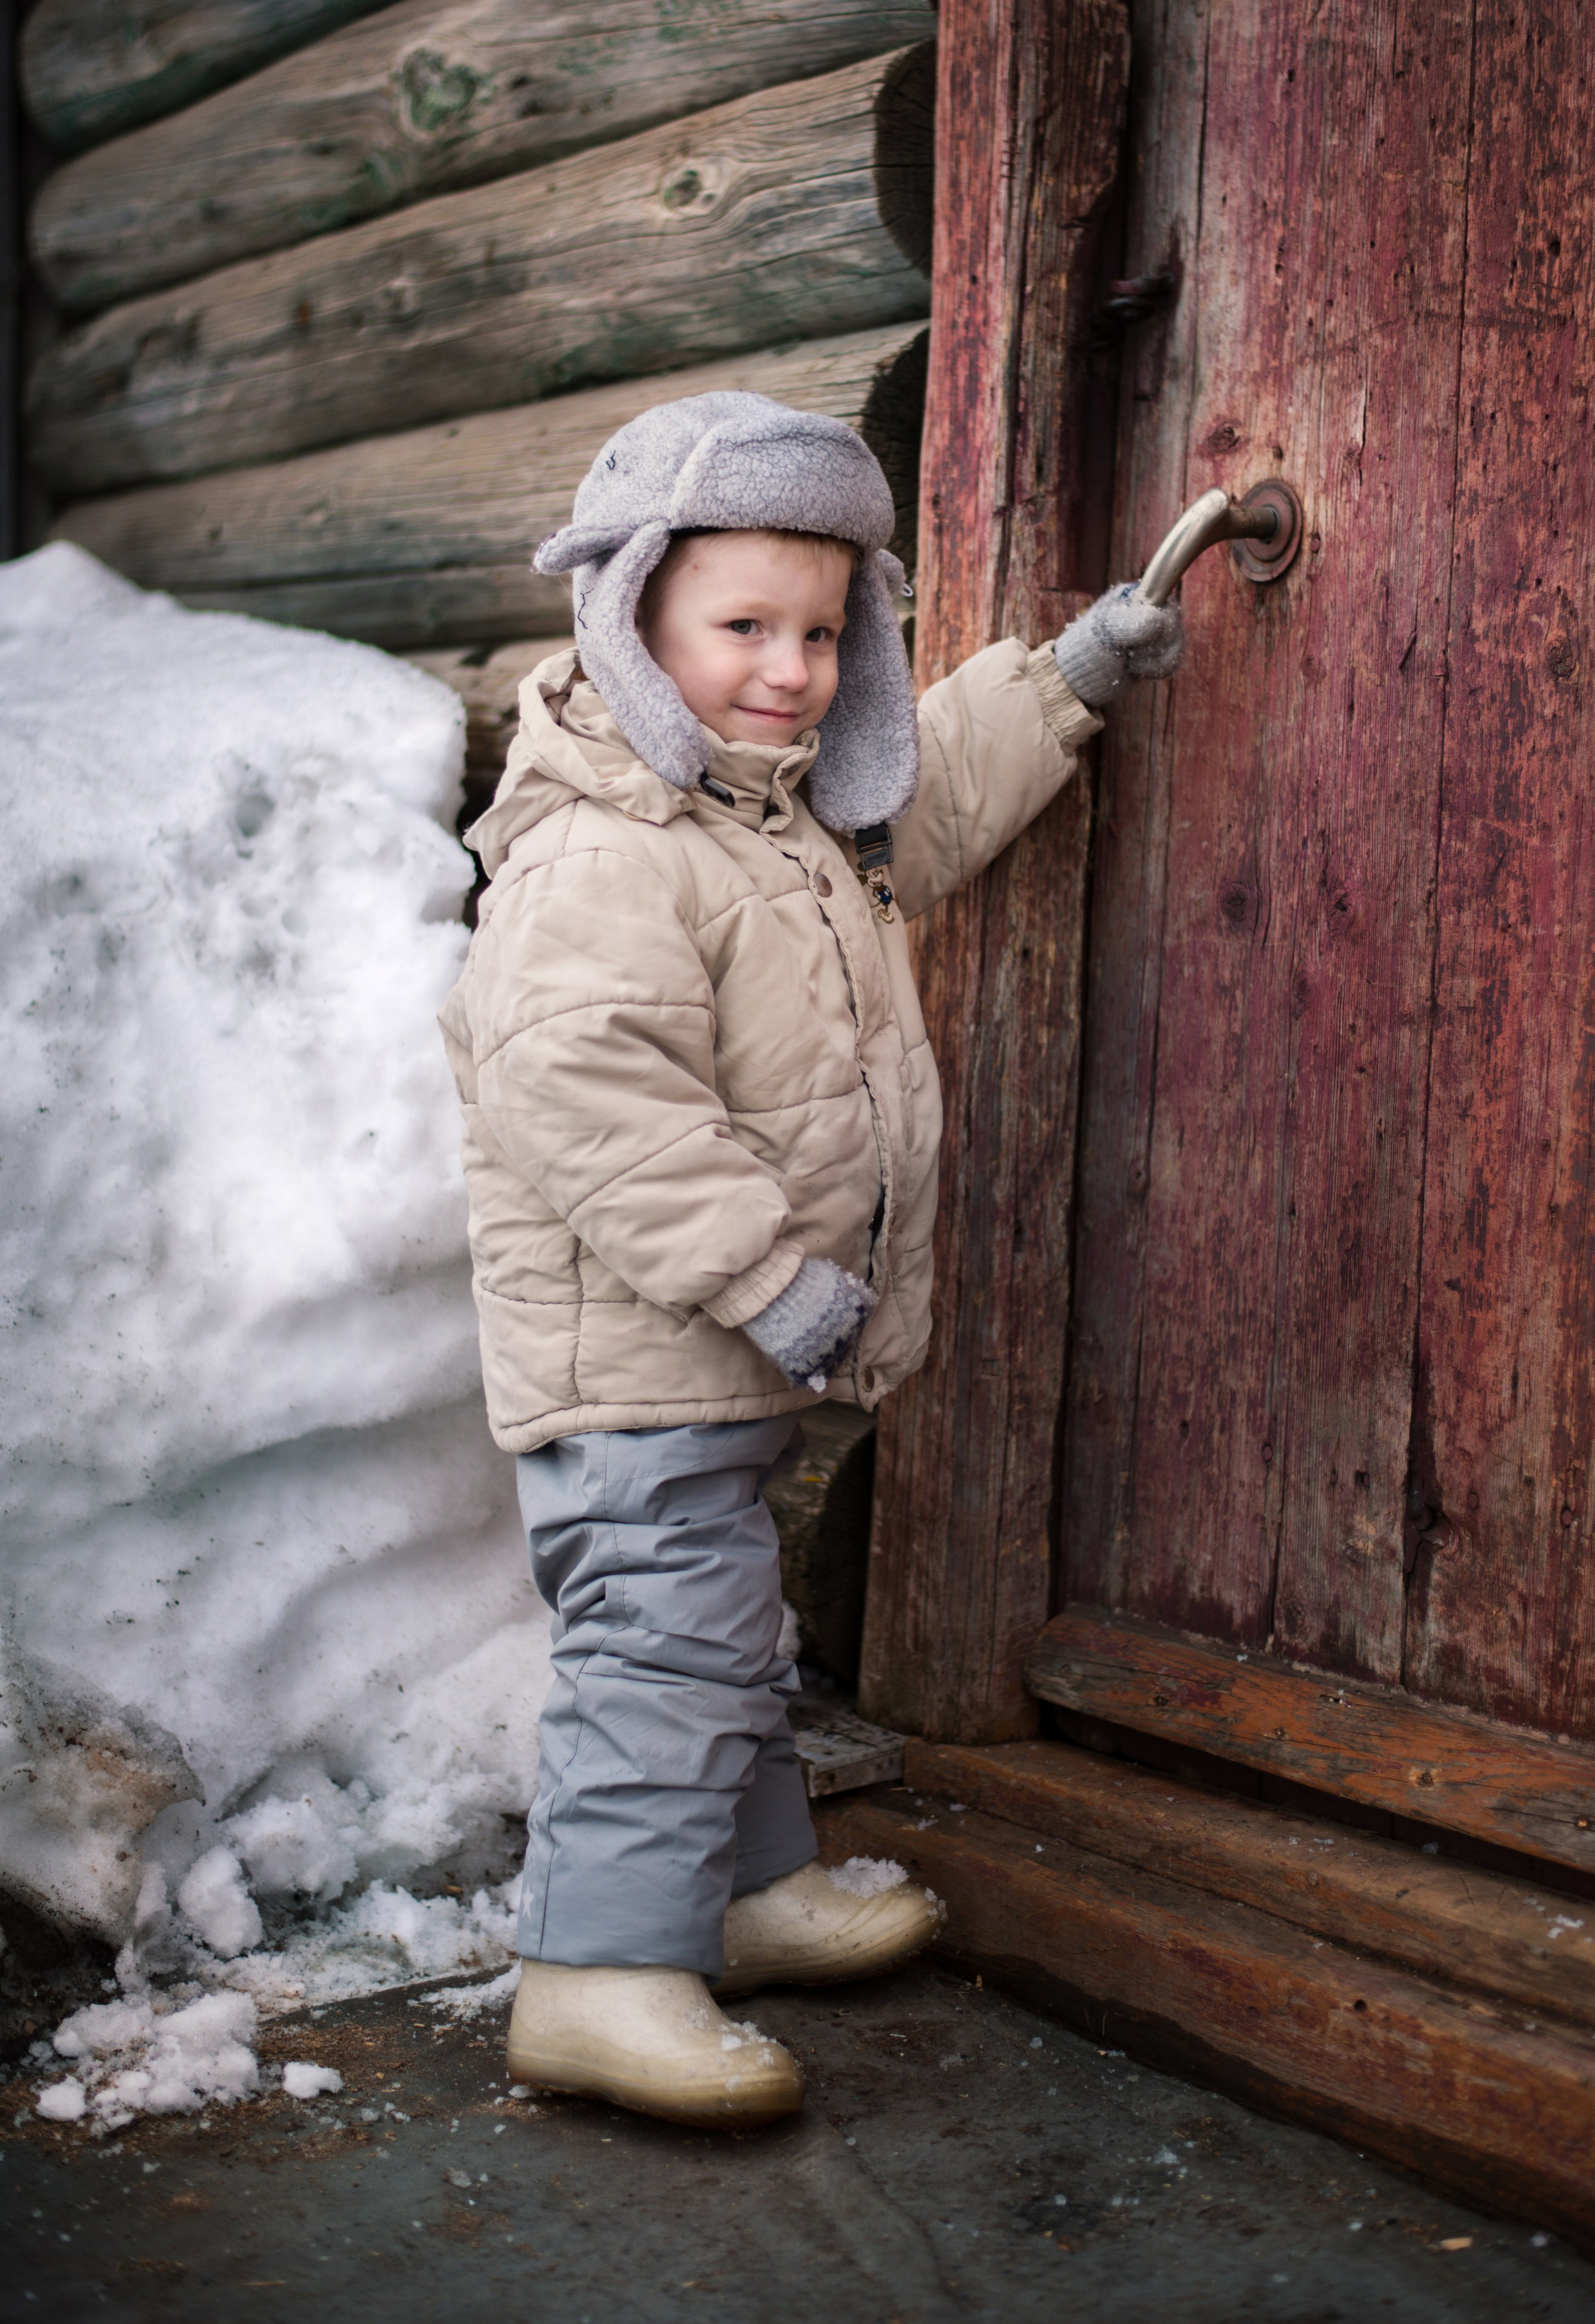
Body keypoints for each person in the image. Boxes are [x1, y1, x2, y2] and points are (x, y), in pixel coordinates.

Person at [439, 392, 1183, 2129]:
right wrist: (770, 1276)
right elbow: (583, 1096)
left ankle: (747, 1895)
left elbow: (920, 808)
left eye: (822, 630)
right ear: (629, 619)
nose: (786, 669)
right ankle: (596, 1974)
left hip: (703, 1357)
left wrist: (1065, 674)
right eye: (740, 629)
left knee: (723, 1630)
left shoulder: (767, 813)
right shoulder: (600, 847)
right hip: (635, 1352)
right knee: (664, 1647)